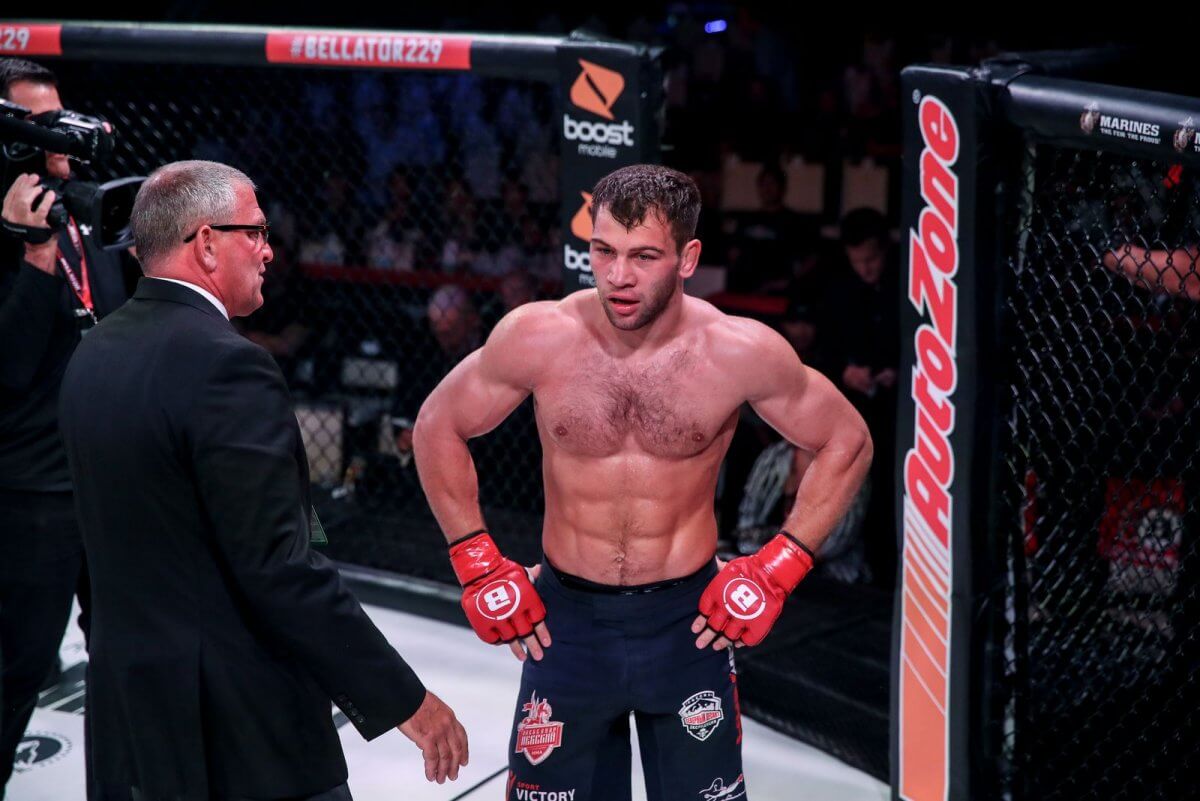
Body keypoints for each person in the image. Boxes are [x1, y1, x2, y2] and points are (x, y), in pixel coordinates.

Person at [413, 164, 871, 799]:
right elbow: (437, 425)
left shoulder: (738, 351)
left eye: (644, 256)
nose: (618, 276)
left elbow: (848, 440)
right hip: (566, 624)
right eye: (604, 251)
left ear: (688, 259)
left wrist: (779, 568)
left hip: (689, 625)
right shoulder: (539, 336)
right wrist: (477, 561)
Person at [58, 160, 468, 801]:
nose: (269, 250)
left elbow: (92, 544)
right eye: (255, 231)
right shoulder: (228, 367)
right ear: (206, 243)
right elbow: (280, 567)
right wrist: (403, 699)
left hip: (127, 715)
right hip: (238, 731)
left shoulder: (93, 350)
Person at [0, 58, 131, 799]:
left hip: (102, 482)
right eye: (38, 125)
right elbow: (10, 368)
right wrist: (32, 254)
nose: (59, 140)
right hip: (29, 493)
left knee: (122, 658)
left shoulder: (83, 210)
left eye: (59, 119)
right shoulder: (16, 230)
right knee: (17, 669)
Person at [819, 207, 899, 585]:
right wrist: (845, 371)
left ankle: (887, 569)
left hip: (899, 405)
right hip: (853, 402)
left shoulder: (908, 283)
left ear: (885, 249)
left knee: (889, 483)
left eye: (872, 259)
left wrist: (898, 371)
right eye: (858, 262)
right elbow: (823, 346)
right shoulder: (840, 288)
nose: (865, 269)